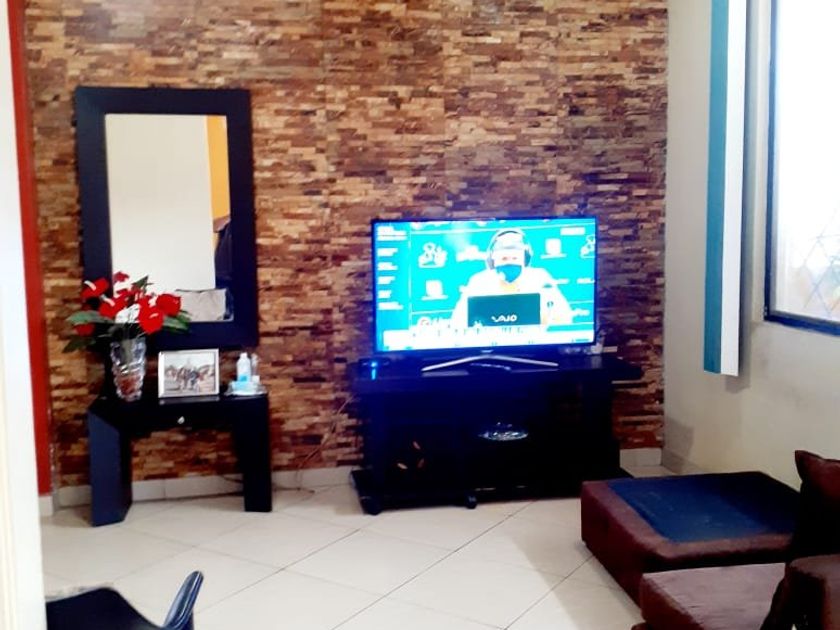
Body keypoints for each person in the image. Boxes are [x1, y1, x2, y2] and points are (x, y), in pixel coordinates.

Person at [451, 228, 574, 327]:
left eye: (515, 258)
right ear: (492, 261)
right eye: (504, 258)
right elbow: (457, 322)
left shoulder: (540, 278)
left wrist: (544, 318)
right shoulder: (479, 281)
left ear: (525, 260)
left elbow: (564, 318)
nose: (509, 262)